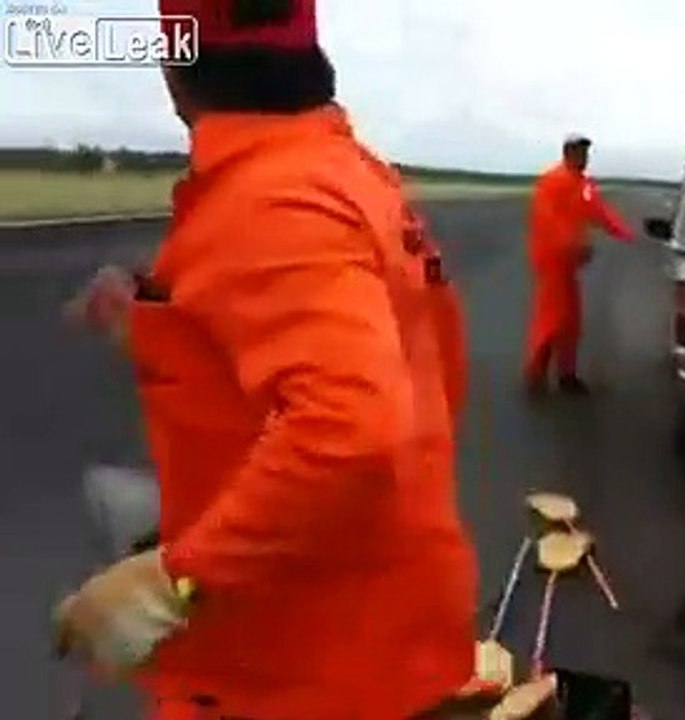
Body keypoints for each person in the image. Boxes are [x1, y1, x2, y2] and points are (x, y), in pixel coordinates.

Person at [54, 1, 479, 718]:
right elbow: (428, 374)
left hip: (297, 671)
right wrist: (158, 313)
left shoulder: (269, 199)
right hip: (379, 632)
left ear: (174, 69)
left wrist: (172, 580)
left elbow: (349, 426)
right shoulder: (344, 173)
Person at [523, 134, 635, 396]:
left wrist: (626, 233)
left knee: (571, 321)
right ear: (567, 152)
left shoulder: (584, 184)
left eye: (586, 153)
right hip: (551, 261)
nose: (585, 158)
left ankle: (567, 375)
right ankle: (536, 374)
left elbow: (600, 212)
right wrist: (573, 245)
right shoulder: (552, 181)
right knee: (551, 318)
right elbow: (546, 220)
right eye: (580, 152)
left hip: (568, 263)